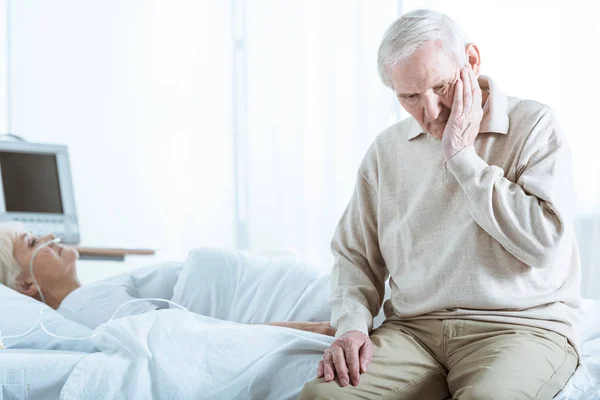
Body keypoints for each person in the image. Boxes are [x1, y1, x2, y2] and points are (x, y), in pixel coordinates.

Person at [299, 9, 580, 400]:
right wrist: (351, 327)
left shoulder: (534, 124)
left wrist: (463, 158)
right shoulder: (387, 150)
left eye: (441, 86)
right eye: (409, 97)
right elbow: (354, 256)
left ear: (472, 60)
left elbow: (546, 243)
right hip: (414, 333)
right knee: (322, 397)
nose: (429, 111)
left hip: (520, 328)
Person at [0, 222, 335, 336]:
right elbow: (197, 337)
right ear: (24, 285)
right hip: (308, 305)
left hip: (303, 294)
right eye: (32, 242)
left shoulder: (89, 300)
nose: (50, 237)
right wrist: (303, 329)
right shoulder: (87, 306)